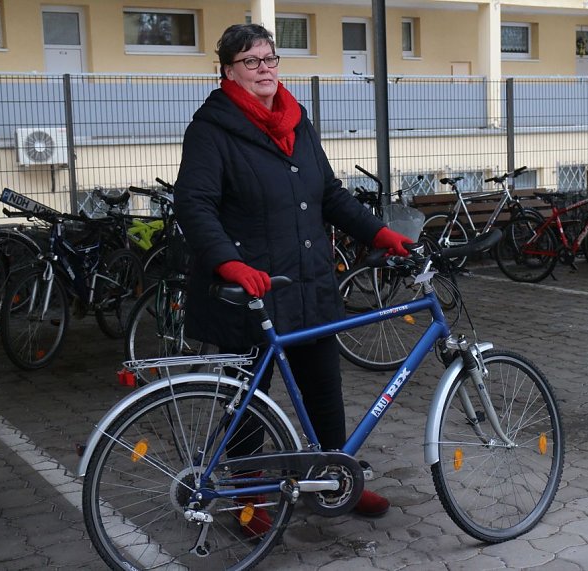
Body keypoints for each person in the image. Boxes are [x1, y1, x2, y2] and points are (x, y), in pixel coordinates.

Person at [173, 23, 412, 535]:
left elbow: (329, 194)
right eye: (251, 61)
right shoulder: (211, 129)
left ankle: (336, 478)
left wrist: (381, 234)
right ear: (229, 71)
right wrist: (226, 262)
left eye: (270, 58)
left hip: (307, 285)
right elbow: (193, 204)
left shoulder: (296, 122)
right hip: (250, 292)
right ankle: (247, 497)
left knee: (323, 390)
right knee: (247, 402)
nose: (264, 68)